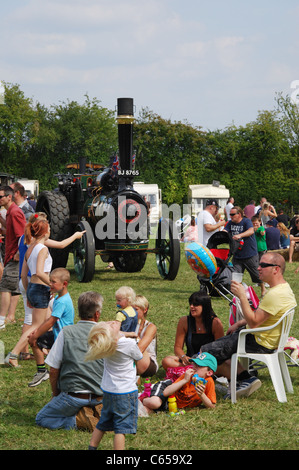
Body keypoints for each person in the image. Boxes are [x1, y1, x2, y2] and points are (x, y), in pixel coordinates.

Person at [201, 252, 297, 399]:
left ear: (276, 269)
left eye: (263, 265)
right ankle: (243, 378)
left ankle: (243, 380)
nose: (258, 268)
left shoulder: (274, 295)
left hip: (259, 341)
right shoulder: (284, 289)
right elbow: (265, 315)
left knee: (205, 352)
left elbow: (253, 322)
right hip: (267, 338)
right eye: (259, 264)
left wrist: (241, 296)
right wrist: (239, 323)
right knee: (221, 348)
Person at [35, 292, 104, 431]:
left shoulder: (66, 332)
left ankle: (77, 420)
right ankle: (96, 412)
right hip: (101, 396)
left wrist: (55, 395)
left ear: (79, 312)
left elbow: (54, 370)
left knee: (42, 418)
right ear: (97, 314)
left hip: (74, 396)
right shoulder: (105, 333)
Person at [86, 320, 143, 451]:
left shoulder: (106, 344)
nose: (112, 321)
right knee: (120, 429)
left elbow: (118, 336)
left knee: (103, 422)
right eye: (110, 325)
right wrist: (136, 338)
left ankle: (92, 447)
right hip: (125, 392)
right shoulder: (128, 344)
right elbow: (139, 356)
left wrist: (126, 333)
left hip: (108, 391)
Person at [4, 217, 52, 367]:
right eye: (49, 229)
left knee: (50, 319)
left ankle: (48, 349)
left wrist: (29, 292)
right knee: (35, 325)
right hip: (41, 288)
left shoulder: (30, 247)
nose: (50, 231)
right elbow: (39, 271)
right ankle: (14, 354)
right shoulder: (42, 249)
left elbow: (24, 274)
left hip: (31, 287)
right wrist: (53, 285)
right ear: (45, 233)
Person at [27, 268, 74, 387]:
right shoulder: (59, 297)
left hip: (63, 338)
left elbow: (51, 321)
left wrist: (36, 334)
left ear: (64, 284)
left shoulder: (63, 301)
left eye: (53, 282)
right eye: (50, 281)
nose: (50, 284)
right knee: (35, 340)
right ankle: (42, 371)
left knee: (61, 369)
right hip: (57, 335)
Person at [162, 291, 224, 370]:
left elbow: (220, 349)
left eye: (195, 304)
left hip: (208, 362)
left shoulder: (215, 323)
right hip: (191, 360)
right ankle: (196, 371)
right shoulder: (184, 321)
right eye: (190, 303)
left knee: (226, 364)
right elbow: (177, 347)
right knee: (167, 361)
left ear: (205, 306)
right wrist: (183, 357)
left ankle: (195, 371)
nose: (191, 306)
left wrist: (204, 362)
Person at [142, 352, 217, 413]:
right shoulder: (187, 376)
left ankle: (138, 404)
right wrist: (184, 380)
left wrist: (201, 395)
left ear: (209, 373)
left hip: (170, 404)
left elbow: (212, 406)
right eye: (194, 363)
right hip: (167, 387)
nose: (194, 367)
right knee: (154, 403)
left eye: (199, 365)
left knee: (145, 411)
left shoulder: (209, 382)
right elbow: (166, 392)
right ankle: (142, 398)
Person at [224, 206, 266, 297]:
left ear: (239, 214)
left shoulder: (246, 221)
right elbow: (225, 231)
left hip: (250, 254)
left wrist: (240, 235)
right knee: (236, 276)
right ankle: (237, 294)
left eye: (232, 214)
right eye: (230, 214)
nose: (230, 216)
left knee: (256, 274)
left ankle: (263, 289)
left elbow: (251, 231)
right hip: (237, 255)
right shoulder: (230, 223)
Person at [0, 186, 26, 329]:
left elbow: (22, 235)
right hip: (10, 255)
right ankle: (9, 317)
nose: (0, 199)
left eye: (1, 197)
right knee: (14, 287)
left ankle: (1, 321)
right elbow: (9, 230)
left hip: (14, 256)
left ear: (9, 197)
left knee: (4, 286)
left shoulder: (15, 213)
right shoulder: (10, 213)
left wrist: (18, 253)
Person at [133, 295, 158, 377]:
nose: (132, 312)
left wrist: (131, 334)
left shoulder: (151, 327)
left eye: (136, 309)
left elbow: (140, 349)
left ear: (145, 310)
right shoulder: (128, 324)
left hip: (148, 363)